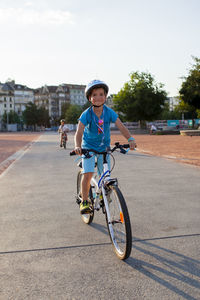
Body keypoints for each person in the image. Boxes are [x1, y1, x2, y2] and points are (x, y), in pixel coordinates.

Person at [73, 79, 136, 214]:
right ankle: (84, 200)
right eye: (94, 95)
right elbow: (79, 132)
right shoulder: (87, 114)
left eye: (101, 94)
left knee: (105, 175)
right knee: (88, 173)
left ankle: (102, 194)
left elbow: (121, 126)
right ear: (90, 98)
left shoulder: (109, 112)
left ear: (105, 96)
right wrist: (78, 146)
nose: (98, 97)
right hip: (88, 148)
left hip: (104, 148)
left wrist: (130, 138)